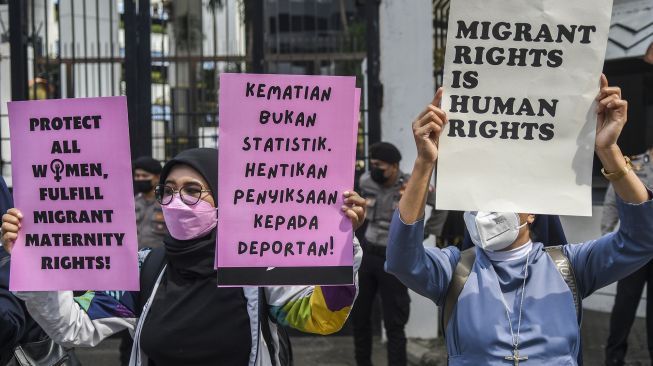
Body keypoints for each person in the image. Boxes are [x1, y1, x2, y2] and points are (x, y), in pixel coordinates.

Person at [1, 148, 365, 366]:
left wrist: (342, 244)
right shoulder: (145, 266)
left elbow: (322, 317)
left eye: (194, 191)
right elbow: (72, 327)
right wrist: (33, 263)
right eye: (169, 190)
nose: (177, 202)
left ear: (224, 199)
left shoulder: (256, 268)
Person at [385, 75, 653, 365]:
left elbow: (641, 240)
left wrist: (609, 152)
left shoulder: (570, 267)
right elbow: (402, 260)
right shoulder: (454, 271)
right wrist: (424, 163)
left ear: (533, 210)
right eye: (482, 194)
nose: (490, 204)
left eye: (505, 193)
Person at [353, 142, 431, 366]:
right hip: (367, 255)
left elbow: (439, 206)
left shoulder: (411, 184)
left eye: (381, 166)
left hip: (394, 259)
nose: (375, 169)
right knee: (360, 317)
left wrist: (424, 234)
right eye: (373, 164)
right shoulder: (366, 181)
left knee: (394, 322)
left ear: (395, 166)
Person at [603, 146, 653, 366]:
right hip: (634, 247)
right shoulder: (632, 163)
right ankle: (614, 357)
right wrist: (607, 233)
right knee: (625, 303)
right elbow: (613, 197)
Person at [133, 156, 168, 250]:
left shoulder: (167, 203)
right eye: (137, 176)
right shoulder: (131, 203)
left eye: (145, 176)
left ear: (157, 178)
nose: (140, 179)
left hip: (157, 260)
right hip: (134, 260)